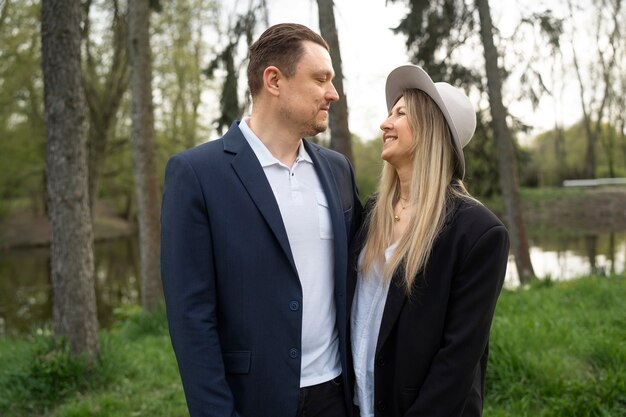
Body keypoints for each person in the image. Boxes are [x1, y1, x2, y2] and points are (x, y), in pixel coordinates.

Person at [161, 23, 362, 417]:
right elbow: (191, 318)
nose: (333, 93)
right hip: (254, 400)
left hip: (337, 394)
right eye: (321, 79)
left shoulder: (338, 170)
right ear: (274, 80)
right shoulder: (196, 174)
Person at [349, 64, 510, 417]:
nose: (385, 123)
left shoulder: (478, 233)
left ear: (429, 130)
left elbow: (457, 362)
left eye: (400, 114)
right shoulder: (375, 211)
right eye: (389, 113)